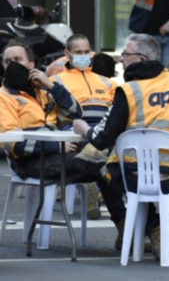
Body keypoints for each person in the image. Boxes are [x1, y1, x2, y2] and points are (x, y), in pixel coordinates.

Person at [73, 33, 169, 262]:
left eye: (125, 54)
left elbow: (102, 139)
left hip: (136, 177)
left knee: (113, 175)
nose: (121, 59)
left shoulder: (129, 91)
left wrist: (83, 129)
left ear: (139, 59)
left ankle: (157, 229)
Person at [0, 38, 127, 250]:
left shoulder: (44, 92)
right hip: (29, 162)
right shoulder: (4, 97)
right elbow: (11, 143)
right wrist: (53, 146)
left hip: (59, 155)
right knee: (101, 163)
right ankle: (127, 226)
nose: (13, 65)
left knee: (106, 161)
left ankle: (127, 226)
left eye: (18, 59)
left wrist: (51, 85)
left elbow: (75, 111)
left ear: (31, 65)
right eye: (7, 61)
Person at [49, 34, 119, 220]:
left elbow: (117, 113)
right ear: (67, 54)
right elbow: (49, 116)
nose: (83, 55)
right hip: (72, 131)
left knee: (110, 146)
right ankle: (95, 185)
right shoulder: (56, 82)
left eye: (86, 51)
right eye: (78, 52)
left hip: (100, 133)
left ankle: (92, 181)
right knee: (104, 156)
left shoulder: (107, 82)